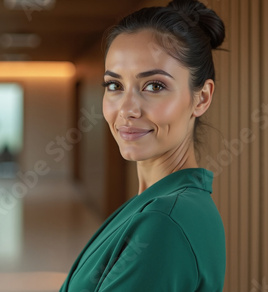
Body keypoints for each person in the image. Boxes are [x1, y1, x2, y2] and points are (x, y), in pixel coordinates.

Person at [59, 0, 226, 291]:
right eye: (114, 85)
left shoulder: (164, 222)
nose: (127, 109)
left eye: (154, 86)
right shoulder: (160, 204)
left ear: (201, 98)